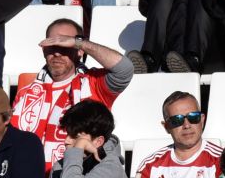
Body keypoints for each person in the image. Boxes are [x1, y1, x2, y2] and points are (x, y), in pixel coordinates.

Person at [9, 17, 133, 167]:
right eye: (52, 45)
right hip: (28, 177)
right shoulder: (26, 92)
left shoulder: (94, 83)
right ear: (43, 49)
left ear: (80, 51)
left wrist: (78, 42)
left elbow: (124, 69)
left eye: (64, 46)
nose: (57, 53)